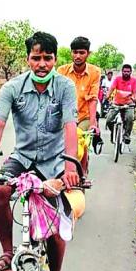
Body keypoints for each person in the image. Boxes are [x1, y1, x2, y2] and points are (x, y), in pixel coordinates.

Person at [0, 31, 78, 271]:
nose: (42, 64)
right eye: (36, 58)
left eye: (47, 58)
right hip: (22, 158)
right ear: (28, 59)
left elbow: (70, 127)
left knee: (55, 223)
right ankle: (8, 253)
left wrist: (70, 168)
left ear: (55, 59)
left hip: (55, 161)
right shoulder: (12, 88)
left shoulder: (65, 87)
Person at [57, 36, 101, 173]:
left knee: (80, 140)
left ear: (88, 53)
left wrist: (94, 123)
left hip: (84, 116)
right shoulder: (61, 71)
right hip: (65, 116)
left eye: (81, 52)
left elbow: (92, 99)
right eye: (75, 52)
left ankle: (82, 174)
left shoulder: (95, 72)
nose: (77, 56)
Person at [106, 64, 136, 144]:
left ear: (130, 72)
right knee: (109, 120)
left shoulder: (134, 80)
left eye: (128, 71)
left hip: (128, 104)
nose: (126, 73)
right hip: (116, 103)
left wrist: (135, 99)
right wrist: (107, 97)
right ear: (122, 72)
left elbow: (135, 92)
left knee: (130, 118)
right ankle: (113, 132)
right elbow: (111, 89)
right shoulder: (117, 79)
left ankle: (126, 135)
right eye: (124, 71)